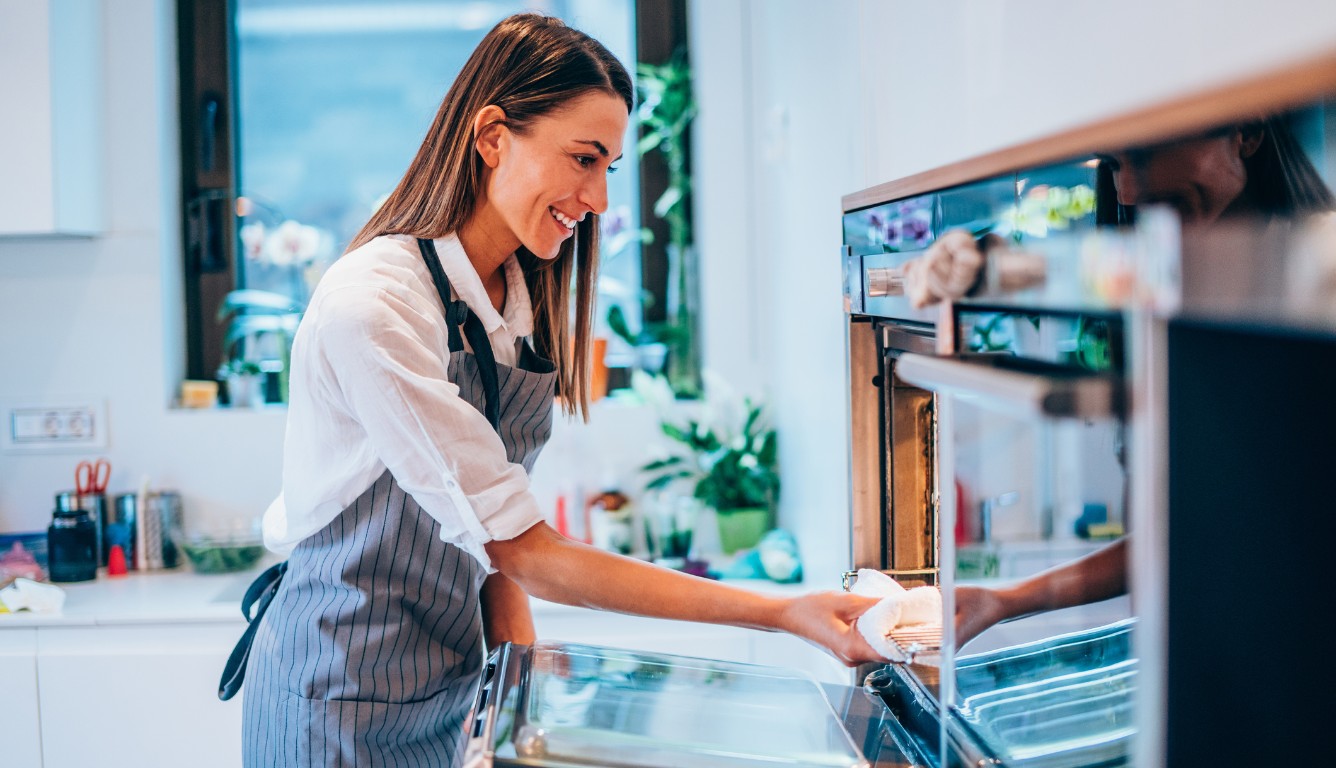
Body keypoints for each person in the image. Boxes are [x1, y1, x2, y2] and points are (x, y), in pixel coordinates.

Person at [218, 14, 882, 767]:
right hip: (335, 695)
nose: (597, 197)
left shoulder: (514, 301)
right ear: (493, 135)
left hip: (443, 687)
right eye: (583, 159)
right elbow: (526, 551)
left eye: (610, 168)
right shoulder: (375, 305)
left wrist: (515, 699)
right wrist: (784, 612)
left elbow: (490, 548)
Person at [905, 116, 1334, 649]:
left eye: (1148, 152)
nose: (1128, 190)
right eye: (1114, 164)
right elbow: (1180, 538)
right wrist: (1006, 600)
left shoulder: (1314, 292)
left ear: (1246, 133)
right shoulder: (1185, 299)